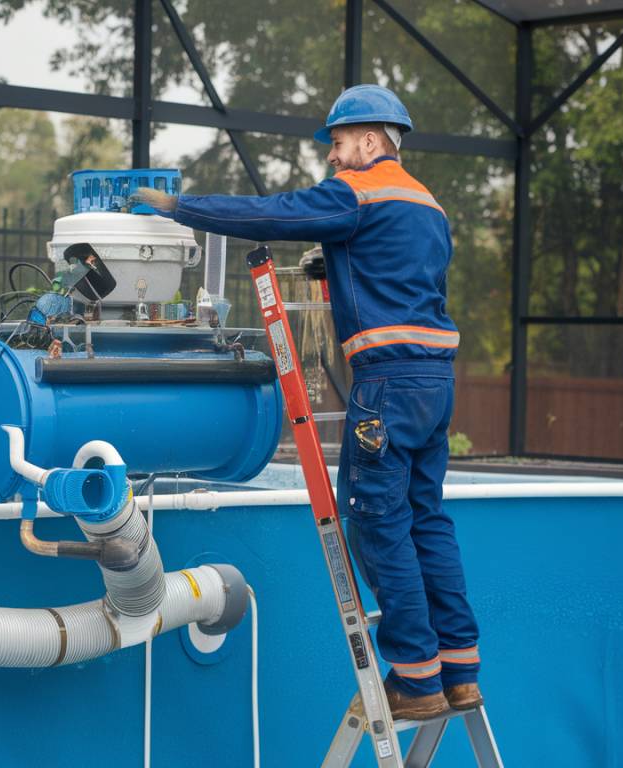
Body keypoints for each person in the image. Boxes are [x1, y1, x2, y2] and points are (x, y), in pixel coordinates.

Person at [132, 84, 482, 720]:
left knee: (379, 521)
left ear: (373, 140)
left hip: (388, 386)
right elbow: (396, 271)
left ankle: (415, 677)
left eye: (340, 141)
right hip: (436, 383)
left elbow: (271, 214)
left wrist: (183, 208)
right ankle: (459, 671)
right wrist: (335, 264)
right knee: (427, 518)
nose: (333, 155)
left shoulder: (357, 192)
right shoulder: (428, 206)